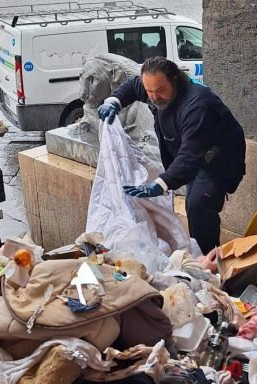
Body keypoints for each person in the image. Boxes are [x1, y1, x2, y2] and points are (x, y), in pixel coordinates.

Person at [97, 56, 246, 255]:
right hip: (192, 155)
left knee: (199, 205)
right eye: (149, 91)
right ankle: (201, 254)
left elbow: (190, 154)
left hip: (216, 159)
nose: (154, 97)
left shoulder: (198, 105)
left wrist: (162, 184)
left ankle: (208, 261)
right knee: (193, 200)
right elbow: (133, 86)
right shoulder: (154, 88)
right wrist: (114, 101)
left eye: (160, 91)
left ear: (174, 80)